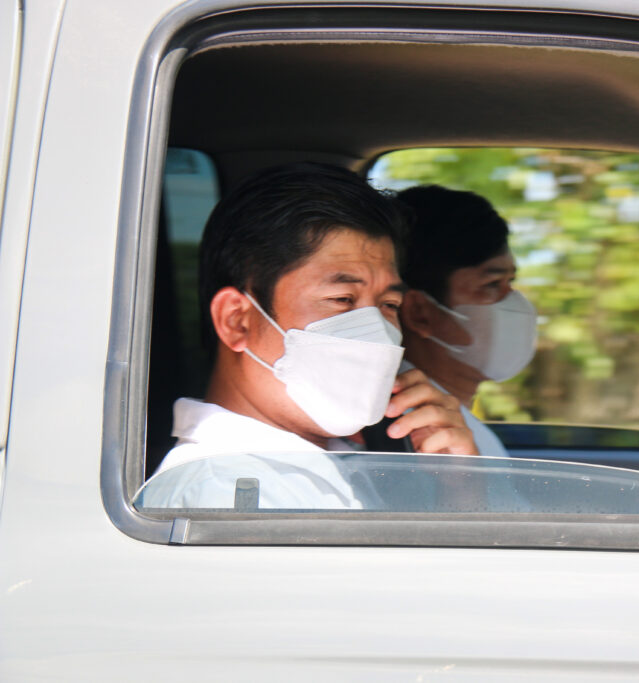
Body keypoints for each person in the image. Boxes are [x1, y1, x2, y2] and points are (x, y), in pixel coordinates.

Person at [137, 164, 476, 509]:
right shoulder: (226, 493)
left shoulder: (339, 466)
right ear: (236, 321)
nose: (376, 332)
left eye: (389, 305)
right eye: (341, 299)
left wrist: (459, 487)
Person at [395, 185, 537, 458]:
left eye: (511, 282)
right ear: (420, 314)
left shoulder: (457, 424)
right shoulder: (418, 434)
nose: (516, 303)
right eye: (492, 284)